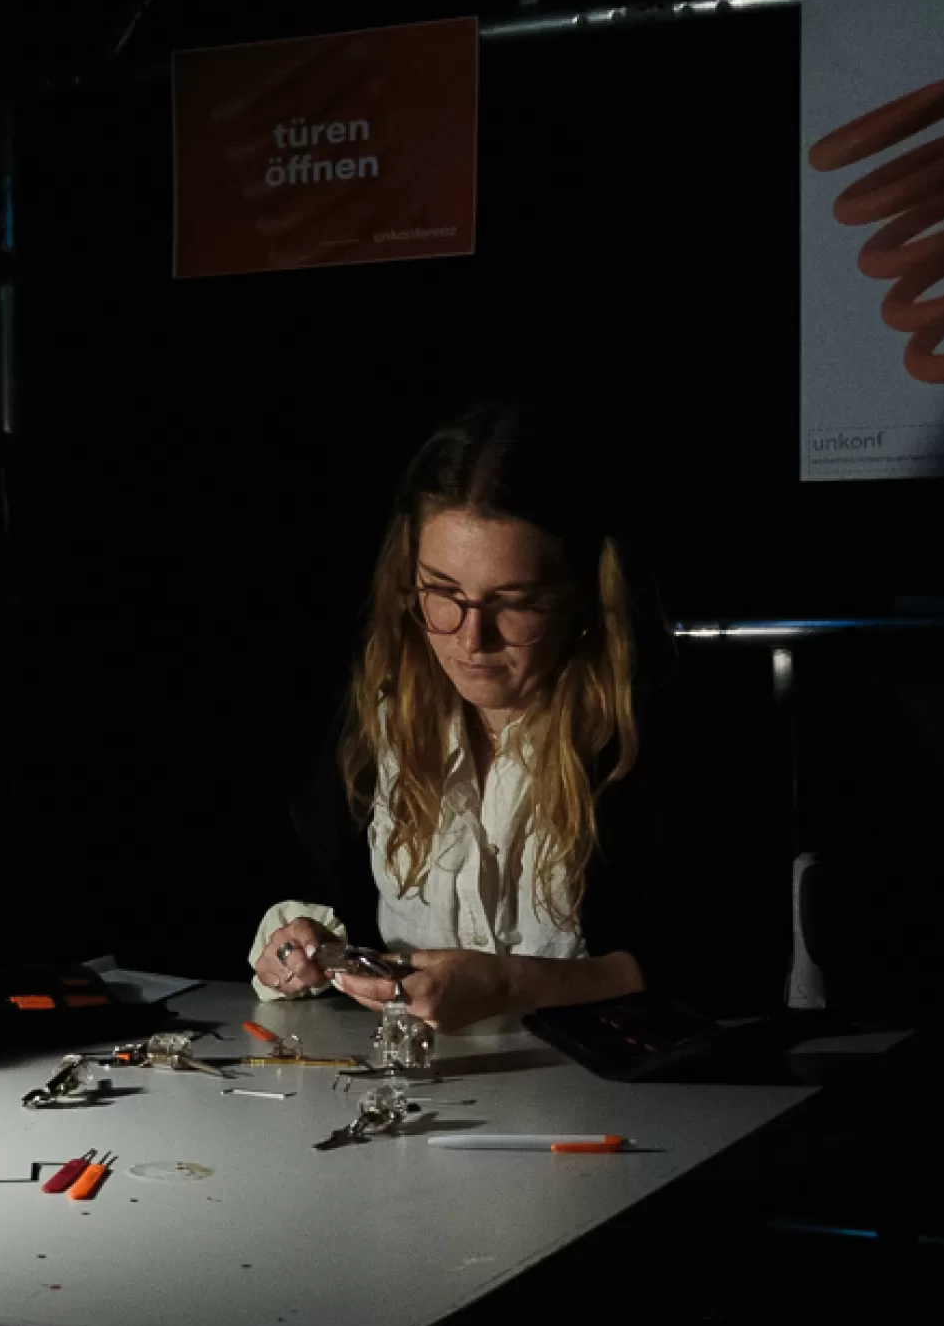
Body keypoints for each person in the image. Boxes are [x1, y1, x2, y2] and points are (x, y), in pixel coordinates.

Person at [248, 399, 663, 1033]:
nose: (472, 640)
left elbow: (718, 969)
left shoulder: (645, 738)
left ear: (582, 595)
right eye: (442, 593)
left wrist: (508, 982)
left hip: (619, 1105)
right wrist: (304, 944)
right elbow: (324, 902)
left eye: (515, 603)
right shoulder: (371, 724)